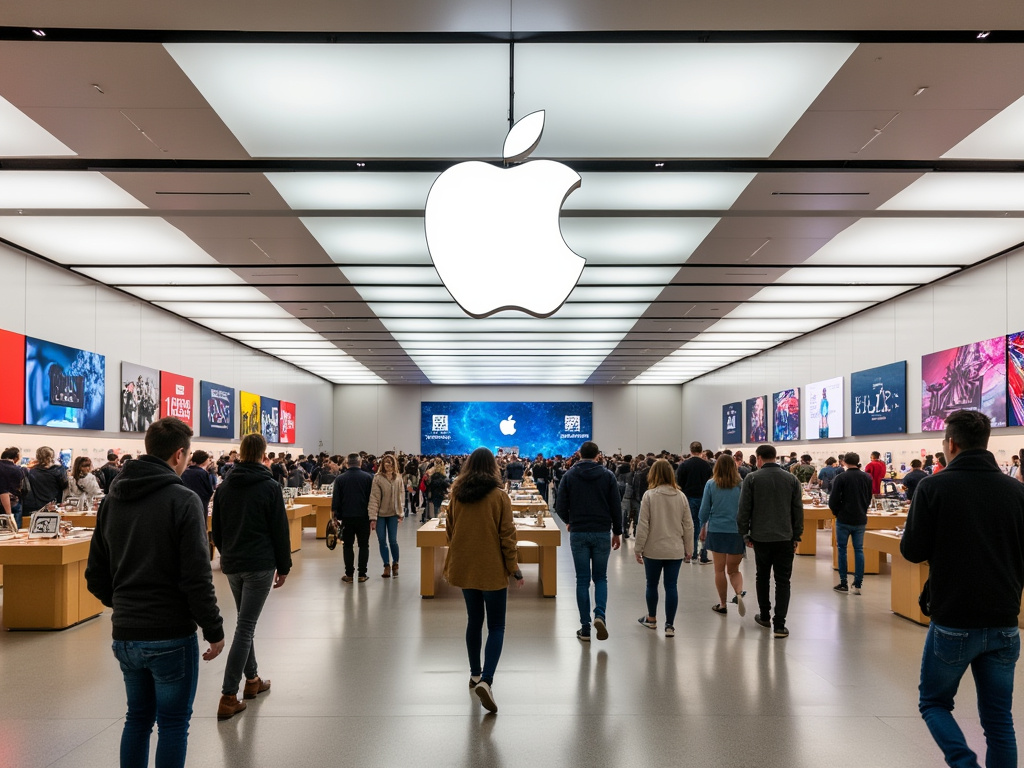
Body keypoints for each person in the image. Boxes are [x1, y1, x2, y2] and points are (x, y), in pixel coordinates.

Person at [85, 417, 224, 768]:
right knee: (174, 724)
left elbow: (95, 574)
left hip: (126, 634)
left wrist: (125, 604)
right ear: (179, 454)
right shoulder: (183, 500)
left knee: (137, 718)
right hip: (170, 634)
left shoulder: (112, 500)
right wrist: (214, 629)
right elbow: (196, 576)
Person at [901, 410, 1024, 768]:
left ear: (951, 444)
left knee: (934, 703)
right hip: (1004, 619)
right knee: (999, 719)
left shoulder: (934, 487)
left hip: (954, 617)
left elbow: (912, 551)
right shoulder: (1016, 491)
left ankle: (964, 762)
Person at [211, 432, 291, 721]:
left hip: (233, 563)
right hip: (259, 563)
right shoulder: (269, 486)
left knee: (246, 621)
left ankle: (253, 680)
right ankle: (228, 695)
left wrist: (227, 551)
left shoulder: (224, 486)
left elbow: (216, 530)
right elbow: (280, 531)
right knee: (245, 627)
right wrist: (284, 566)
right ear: (263, 454)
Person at [443, 447, 523, 713]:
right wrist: (514, 568)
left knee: (474, 621)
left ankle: (475, 674)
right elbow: (507, 536)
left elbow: (450, 530)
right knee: (497, 626)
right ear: (494, 467)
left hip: (466, 567)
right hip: (492, 568)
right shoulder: (500, 496)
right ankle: (487, 680)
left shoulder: (457, 494)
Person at [556, 441, 621, 642]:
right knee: (600, 578)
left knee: (582, 580)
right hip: (602, 531)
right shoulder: (608, 476)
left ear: (579, 455)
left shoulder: (569, 476)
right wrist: (617, 532)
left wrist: (569, 520)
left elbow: (559, 505)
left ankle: (585, 628)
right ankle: (599, 615)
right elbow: (615, 506)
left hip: (579, 532)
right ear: (598, 456)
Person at [736, 444, 803, 639]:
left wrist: (745, 534)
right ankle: (780, 625)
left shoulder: (752, 478)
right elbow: (797, 509)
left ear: (758, 458)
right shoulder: (791, 479)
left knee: (762, 576)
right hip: (785, 537)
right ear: (775, 457)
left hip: (761, 537)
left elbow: (744, 509)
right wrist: (796, 534)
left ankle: (764, 615)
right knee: (783, 581)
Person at [634, 459, 691, 636]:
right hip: (675, 549)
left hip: (653, 549)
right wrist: (689, 548)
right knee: (671, 585)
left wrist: (638, 548)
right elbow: (688, 525)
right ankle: (670, 626)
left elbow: (643, 524)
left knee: (652, 584)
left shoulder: (649, 495)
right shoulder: (681, 496)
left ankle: (651, 619)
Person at [699, 455, 746, 617]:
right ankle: (739, 592)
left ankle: (723, 604)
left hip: (717, 530)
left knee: (719, 570)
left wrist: (702, 526)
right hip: (736, 531)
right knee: (733, 570)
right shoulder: (741, 485)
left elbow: (704, 510)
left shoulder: (711, 484)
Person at [828, 452, 872, 596]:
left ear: (844, 462)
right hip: (860, 518)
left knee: (842, 549)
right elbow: (868, 497)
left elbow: (833, 499)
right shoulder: (866, 477)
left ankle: (843, 582)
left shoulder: (841, 478)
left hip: (844, 519)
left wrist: (837, 512)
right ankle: (858, 584)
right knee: (859, 550)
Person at [333, 453, 375, 583]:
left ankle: (349, 574)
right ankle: (362, 574)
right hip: (363, 517)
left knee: (348, 546)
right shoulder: (368, 478)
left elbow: (336, 500)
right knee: (363, 545)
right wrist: (372, 517)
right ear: (360, 463)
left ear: (347, 463)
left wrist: (335, 517)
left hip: (347, 517)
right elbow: (372, 499)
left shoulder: (340, 479)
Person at [676, 441, 713, 565]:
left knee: (687, 525)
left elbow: (679, 483)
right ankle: (702, 554)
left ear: (690, 451)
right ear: (701, 451)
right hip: (703, 497)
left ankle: (688, 552)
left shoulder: (684, 465)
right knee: (702, 525)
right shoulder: (707, 465)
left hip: (688, 498)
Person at [369, 453, 404, 578]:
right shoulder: (377, 478)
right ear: (382, 464)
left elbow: (401, 497)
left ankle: (395, 563)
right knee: (382, 541)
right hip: (380, 515)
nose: (388, 464)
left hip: (393, 514)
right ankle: (386, 566)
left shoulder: (398, 478)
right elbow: (374, 498)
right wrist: (373, 517)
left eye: (390, 462)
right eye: (386, 462)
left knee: (393, 540)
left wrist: (401, 513)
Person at [22, 446, 69, 513]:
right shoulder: (59, 470)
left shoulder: (32, 472)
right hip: (54, 505)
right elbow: (64, 485)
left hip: (37, 507)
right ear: (52, 456)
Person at [181, 450, 215, 515]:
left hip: (186, 502)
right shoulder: (203, 473)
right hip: (201, 502)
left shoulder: (185, 471)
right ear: (204, 460)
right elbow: (209, 490)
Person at [0, 447, 26, 527]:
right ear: (16, 458)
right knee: (14, 530)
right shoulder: (17, 470)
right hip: (13, 502)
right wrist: (9, 513)